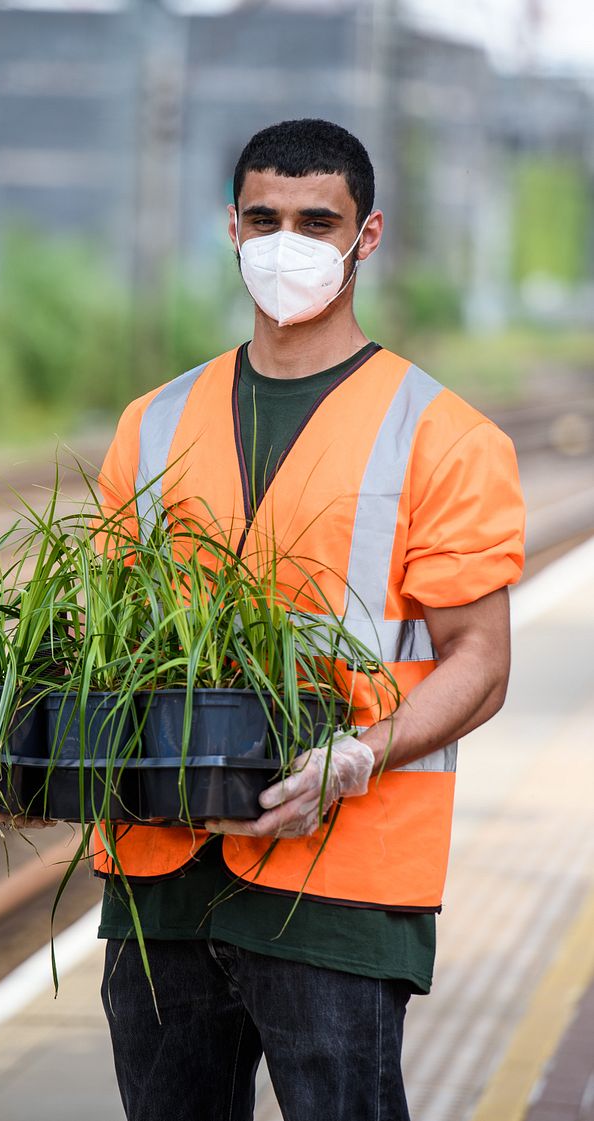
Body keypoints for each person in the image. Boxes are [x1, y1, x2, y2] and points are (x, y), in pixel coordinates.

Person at [74, 119, 528, 1119]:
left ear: (365, 236)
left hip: (341, 877)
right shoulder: (150, 423)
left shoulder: (443, 436)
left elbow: (478, 660)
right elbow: (104, 640)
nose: (288, 242)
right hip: (161, 872)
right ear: (230, 228)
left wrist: (356, 754)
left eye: (316, 220)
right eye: (266, 218)